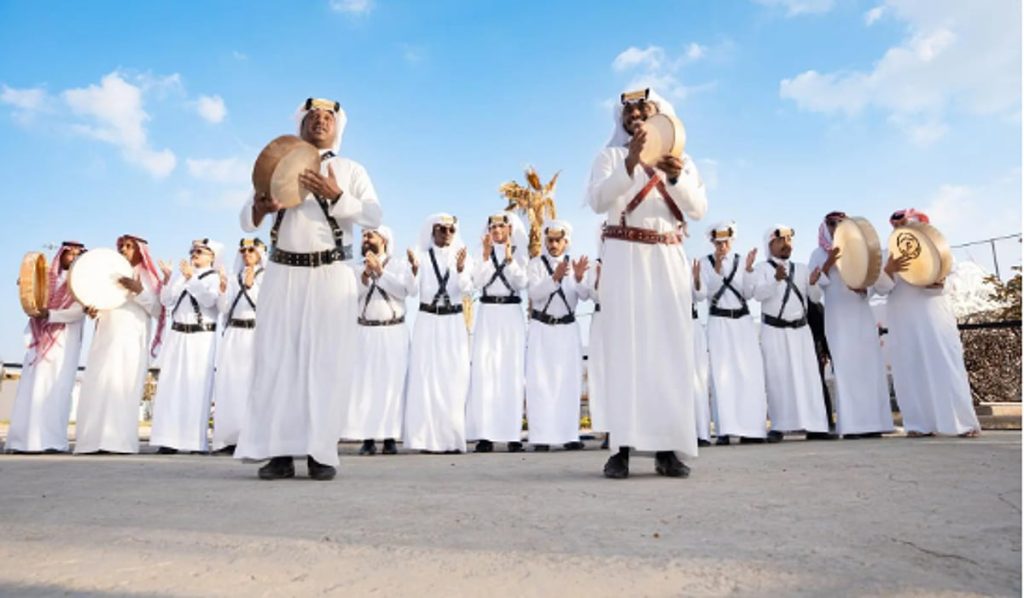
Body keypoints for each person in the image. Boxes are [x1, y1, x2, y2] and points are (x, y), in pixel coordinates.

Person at [236, 97, 382, 480]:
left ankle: (322, 453)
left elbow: (373, 216)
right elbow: (246, 221)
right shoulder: (276, 166)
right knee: (277, 362)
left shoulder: (350, 170)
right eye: (313, 116)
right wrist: (260, 207)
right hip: (282, 272)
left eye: (328, 117)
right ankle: (279, 453)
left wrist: (336, 195)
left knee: (327, 364)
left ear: (338, 126)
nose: (320, 121)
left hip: (331, 273)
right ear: (300, 124)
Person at [586, 87, 707, 479]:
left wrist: (675, 177)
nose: (636, 114)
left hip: (668, 258)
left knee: (669, 352)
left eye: (645, 107)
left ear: (661, 115)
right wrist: (631, 163)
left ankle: (668, 449)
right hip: (624, 258)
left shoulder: (682, 161)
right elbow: (598, 201)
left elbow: (698, 209)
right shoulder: (610, 157)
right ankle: (620, 447)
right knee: (625, 350)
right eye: (629, 110)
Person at [873, 209, 980, 437]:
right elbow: (881, 288)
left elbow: (954, 278)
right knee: (910, 369)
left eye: (904, 223)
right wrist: (888, 271)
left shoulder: (937, 248)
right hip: (903, 319)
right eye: (896, 225)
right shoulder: (887, 254)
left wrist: (941, 283)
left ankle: (961, 423)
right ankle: (919, 425)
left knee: (944, 365)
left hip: (934, 316)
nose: (900, 228)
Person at [75, 235, 163, 454]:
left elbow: (157, 310)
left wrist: (138, 289)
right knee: (99, 385)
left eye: (129, 246)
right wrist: (92, 311)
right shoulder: (108, 274)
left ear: (140, 250)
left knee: (123, 388)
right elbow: (98, 301)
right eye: (121, 246)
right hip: (105, 338)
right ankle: (92, 442)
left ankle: (118, 443)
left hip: (131, 341)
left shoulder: (148, 277)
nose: (124, 250)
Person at [809, 212, 893, 438]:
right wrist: (828, 264)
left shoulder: (859, 248)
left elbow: (873, 280)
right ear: (825, 227)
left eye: (840, 223)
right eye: (832, 224)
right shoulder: (817, 254)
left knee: (868, 367)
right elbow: (814, 293)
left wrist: (866, 289)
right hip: (837, 319)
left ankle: (875, 424)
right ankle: (853, 426)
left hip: (861, 315)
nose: (836, 227)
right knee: (846, 370)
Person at [751, 226, 832, 442]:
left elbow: (814, 298)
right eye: (781, 240)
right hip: (774, 331)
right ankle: (779, 425)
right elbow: (758, 294)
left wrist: (813, 283)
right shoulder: (761, 268)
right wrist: (775, 280)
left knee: (808, 378)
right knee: (778, 378)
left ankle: (815, 425)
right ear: (770, 245)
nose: (786, 243)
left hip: (801, 331)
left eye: (789, 239)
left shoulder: (803, 269)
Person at [342, 226, 415, 456]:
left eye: (370, 235)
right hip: (365, 331)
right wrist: (365, 274)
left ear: (383, 239)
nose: (365, 239)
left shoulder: (399, 265)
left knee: (392, 384)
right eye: (363, 235)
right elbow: (351, 295)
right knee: (366, 386)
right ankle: (368, 437)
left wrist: (380, 273)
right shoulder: (354, 268)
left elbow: (404, 292)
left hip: (393, 331)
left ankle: (390, 436)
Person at [403, 213, 473, 454]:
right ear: (432, 232)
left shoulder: (463, 257)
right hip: (427, 320)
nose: (446, 233)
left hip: (453, 322)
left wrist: (462, 269)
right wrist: (413, 270)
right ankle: (425, 440)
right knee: (426, 379)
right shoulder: (421, 257)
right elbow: (411, 291)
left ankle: (452, 439)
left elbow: (467, 290)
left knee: (453, 380)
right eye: (441, 229)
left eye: (451, 229)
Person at [7, 242, 86, 453]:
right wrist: (28, 285)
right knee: (31, 389)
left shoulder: (82, 281)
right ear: (61, 254)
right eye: (71, 251)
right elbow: (35, 296)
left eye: (79, 252)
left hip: (64, 343)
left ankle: (51, 441)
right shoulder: (48, 278)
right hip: (40, 339)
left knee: (56, 389)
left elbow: (78, 312)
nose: (74, 255)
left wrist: (50, 315)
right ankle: (22, 441)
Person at [149, 239, 223, 454]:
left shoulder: (214, 277)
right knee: (172, 387)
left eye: (200, 251)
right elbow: (166, 301)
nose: (195, 254)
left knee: (196, 387)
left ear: (212, 256)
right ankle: (169, 439)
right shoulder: (182, 276)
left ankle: (194, 442)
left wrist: (192, 278)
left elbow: (209, 301)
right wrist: (168, 278)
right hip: (177, 334)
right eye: (193, 251)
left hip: (200, 336)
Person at [698, 222, 768, 445]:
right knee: (722, 376)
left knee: (749, 374)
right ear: (712, 242)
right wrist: (717, 269)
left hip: (743, 320)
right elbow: (705, 293)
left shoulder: (741, 262)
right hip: (719, 320)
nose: (723, 246)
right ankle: (725, 430)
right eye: (718, 242)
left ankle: (752, 430)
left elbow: (748, 293)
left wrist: (748, 271)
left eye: (726, 241)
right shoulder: (705, 263)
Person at [466, 212, 529, 453]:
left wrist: (511, 259)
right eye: (492, 226)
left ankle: (513, 434)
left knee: (511, 372)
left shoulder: (520, 254)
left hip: (511, 313)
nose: (496, 230)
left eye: (501, 226)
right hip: (488, 312)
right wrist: (484, 257)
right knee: (486, 371)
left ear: (509, 228)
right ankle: (486, 435)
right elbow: (477, 282)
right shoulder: (481, 253)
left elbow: (522, 283)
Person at [525, 220, 588, 452]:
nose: (553, 244)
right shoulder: (536, 264)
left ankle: (570, 434)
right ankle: (541, 436)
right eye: (550, 240)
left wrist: (579, 279)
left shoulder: (575, 265)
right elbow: (534, 293)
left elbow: (583, 295)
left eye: (557, 240)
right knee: (540, 383)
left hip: (568, 329)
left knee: (568, 382)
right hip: (542, 328)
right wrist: (554, 279)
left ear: (565, 242)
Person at [210, 238, 266, 454]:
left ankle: (253, 438)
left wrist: (251, 287)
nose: (246, 254)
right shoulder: (234, 278)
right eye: (243, 250)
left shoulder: (267, 277)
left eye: (251, 250)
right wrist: (223, 289)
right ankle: (228, 439)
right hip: (233, 334)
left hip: (255, 334)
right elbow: (224, 308)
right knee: (230, 386)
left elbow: (267, 305)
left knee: (252, 386)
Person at [577, 224, 608, 449]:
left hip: (626, 321)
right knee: (601, 377)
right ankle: (607, 430)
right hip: (601, 321)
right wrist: (595, 280)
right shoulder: (595, 266)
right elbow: (590, 294)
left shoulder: (632, 262)